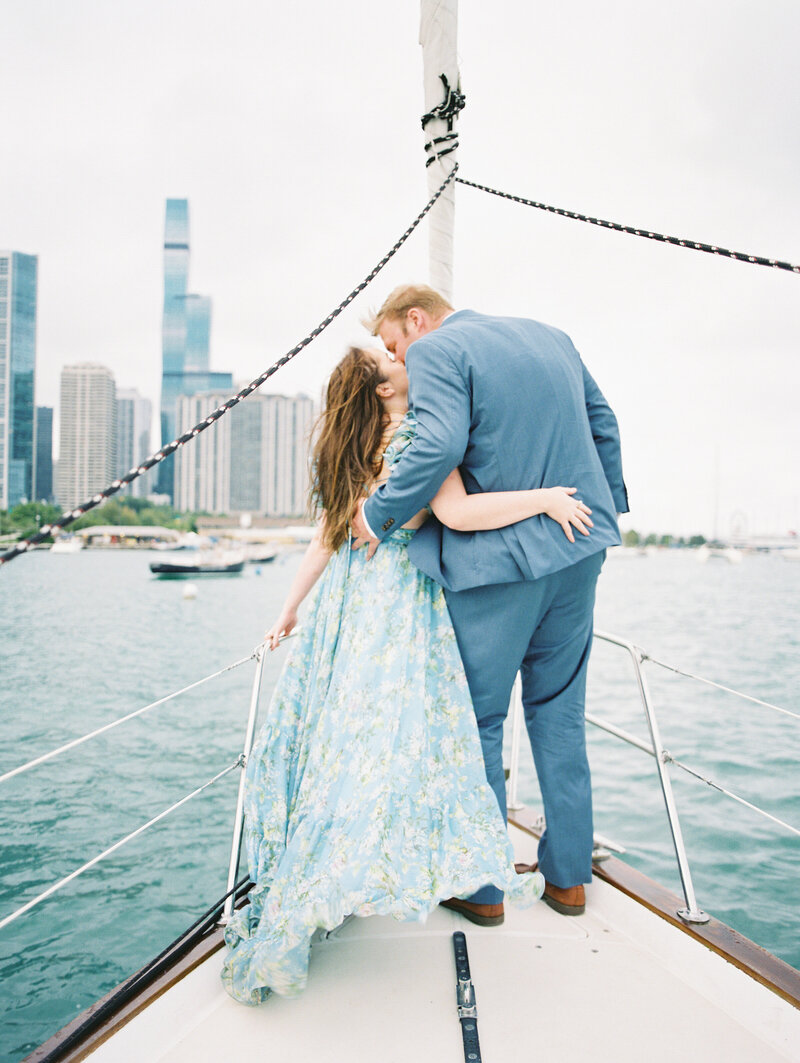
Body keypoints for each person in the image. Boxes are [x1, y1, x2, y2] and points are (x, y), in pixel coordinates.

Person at [221, 346, 593, 1005]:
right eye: (391, 361)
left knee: (342, 739)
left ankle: (334, 868)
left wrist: (288, 610)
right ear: (385, 387)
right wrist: (546, 499)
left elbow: (323, 540)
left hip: (344, 603)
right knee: (403, 739)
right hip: (401, 605)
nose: (405, 361)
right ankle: (396, 865)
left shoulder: (345, 450)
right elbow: (457, 515)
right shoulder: (417, 439)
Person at [354, 285, 628, 923]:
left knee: (477, 722)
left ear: (415, 320)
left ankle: (481, 889)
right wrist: (604, 512)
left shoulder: (437, 350)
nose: (397, 358)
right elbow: (604, 426)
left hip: (497, 566)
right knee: (560, 715)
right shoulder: (553, 337)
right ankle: (567, 880)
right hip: (578, 549)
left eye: (393, 344)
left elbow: (441, 444)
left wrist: (378, 516)